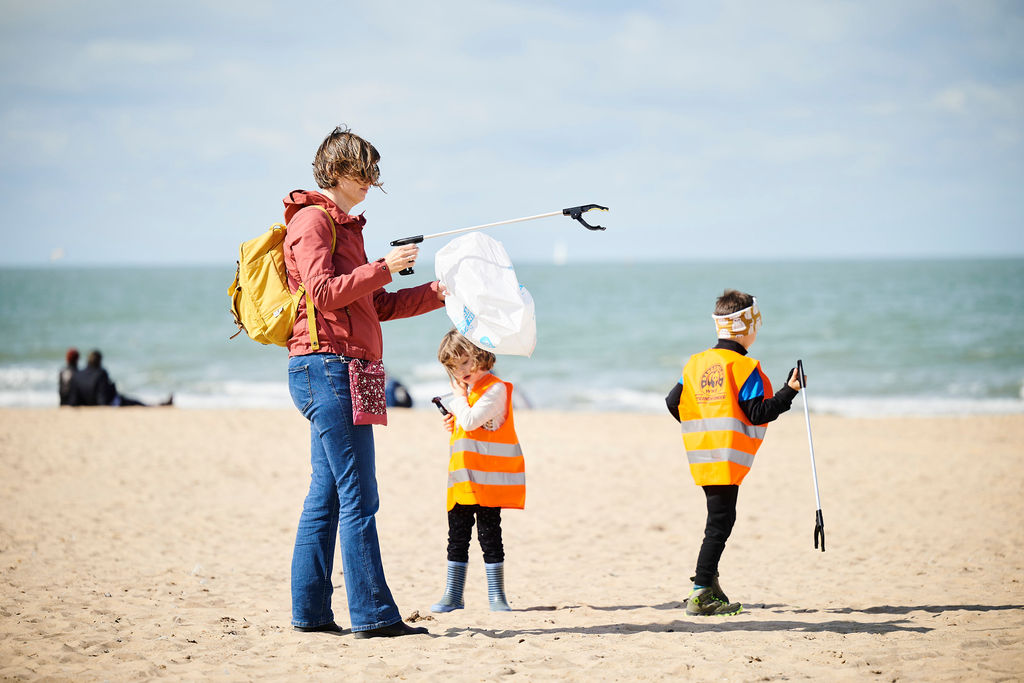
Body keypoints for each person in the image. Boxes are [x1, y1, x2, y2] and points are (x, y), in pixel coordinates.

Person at [283, 125, 444, 638]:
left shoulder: (347, 229)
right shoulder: (312, 221)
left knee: (328, 496)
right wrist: (382, 266)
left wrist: (441, 290)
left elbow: (377, 305)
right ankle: (374, 617)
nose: (373, 181)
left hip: (354, 369)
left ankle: (310, 614)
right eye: (365, 171)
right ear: (339, 170)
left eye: (375, 172)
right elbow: (323, 293)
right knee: (359, 497)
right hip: (328, 367)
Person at [665, 289, 802, 616]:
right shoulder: (744, 367)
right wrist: (790, 390)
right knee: (720, 523)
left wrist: (703, 426)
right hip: (726, 459)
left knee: (720, 518)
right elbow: (758, 412)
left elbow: (674, 402)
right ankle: (700, 592)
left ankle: (710, 584)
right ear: (747, 327)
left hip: (702, 454)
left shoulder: (696, 363)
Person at [430, 329, 525, 613]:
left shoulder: (495, 389)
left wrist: (459, 398)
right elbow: (466, 425)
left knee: (489, 535)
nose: (460, 373)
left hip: (487, 479)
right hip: (461, 477)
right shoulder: (467, 392)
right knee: (457, 537)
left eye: (464, 363)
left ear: (481, 355)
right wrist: (453, 422)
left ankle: (498, 595)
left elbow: (471, 420)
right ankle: (453, 594)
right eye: (453, 368)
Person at [67, 349, 171, 407]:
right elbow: (102, 398)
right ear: (99, 361)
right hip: (111, 402)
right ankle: (160, 404)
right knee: (136, 403)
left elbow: (74, 399)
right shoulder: (100, 373)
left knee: (135, 402)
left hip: (87, 404)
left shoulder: (77, 375)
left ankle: (160, 404)